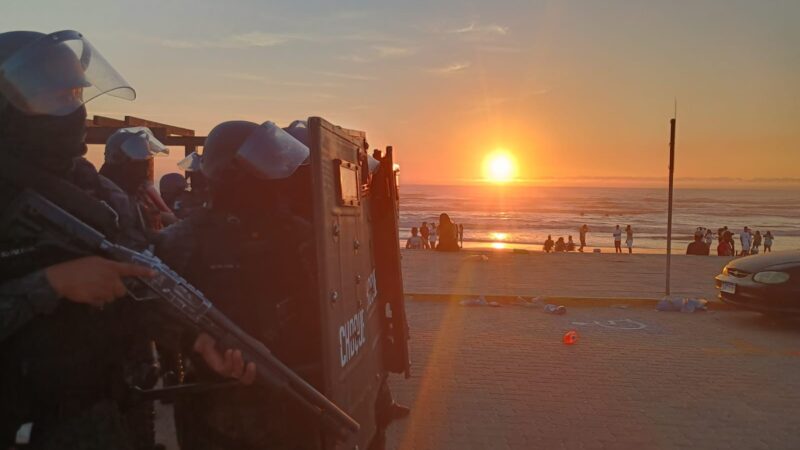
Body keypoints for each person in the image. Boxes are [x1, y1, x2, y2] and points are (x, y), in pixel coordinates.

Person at [0, 30, 252, 449]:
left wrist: (193, 339)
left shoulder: (95, 191)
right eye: (56, 96)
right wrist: (51, 284)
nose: (74, 111)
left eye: (77, 93)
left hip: (111, 418)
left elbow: (139, 283)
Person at [157, 120, 408, 449]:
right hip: (222, 413)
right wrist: (197, 342)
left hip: (297, 403)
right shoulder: (182, 242)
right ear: (234, 172)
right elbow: (150, 315)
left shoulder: (300, 234)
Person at [99, 127, 178, 231]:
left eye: (146, 163)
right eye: (138, 164)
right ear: (120, 162)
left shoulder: (137, 189)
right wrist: (163, 217)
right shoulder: (106, 191)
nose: (145, 170)